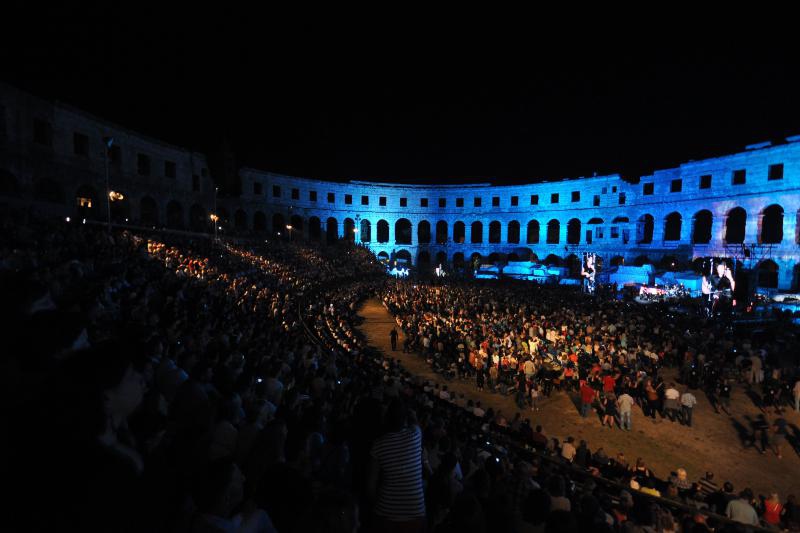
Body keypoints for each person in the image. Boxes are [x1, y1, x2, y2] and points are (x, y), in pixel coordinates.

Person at [368, 400, 426, 531]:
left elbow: (370, 486)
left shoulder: (378, 444)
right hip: (415, 512)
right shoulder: (415, 435)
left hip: (385, 512)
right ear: (405, 419)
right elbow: (415, 422)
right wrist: (412, 414)